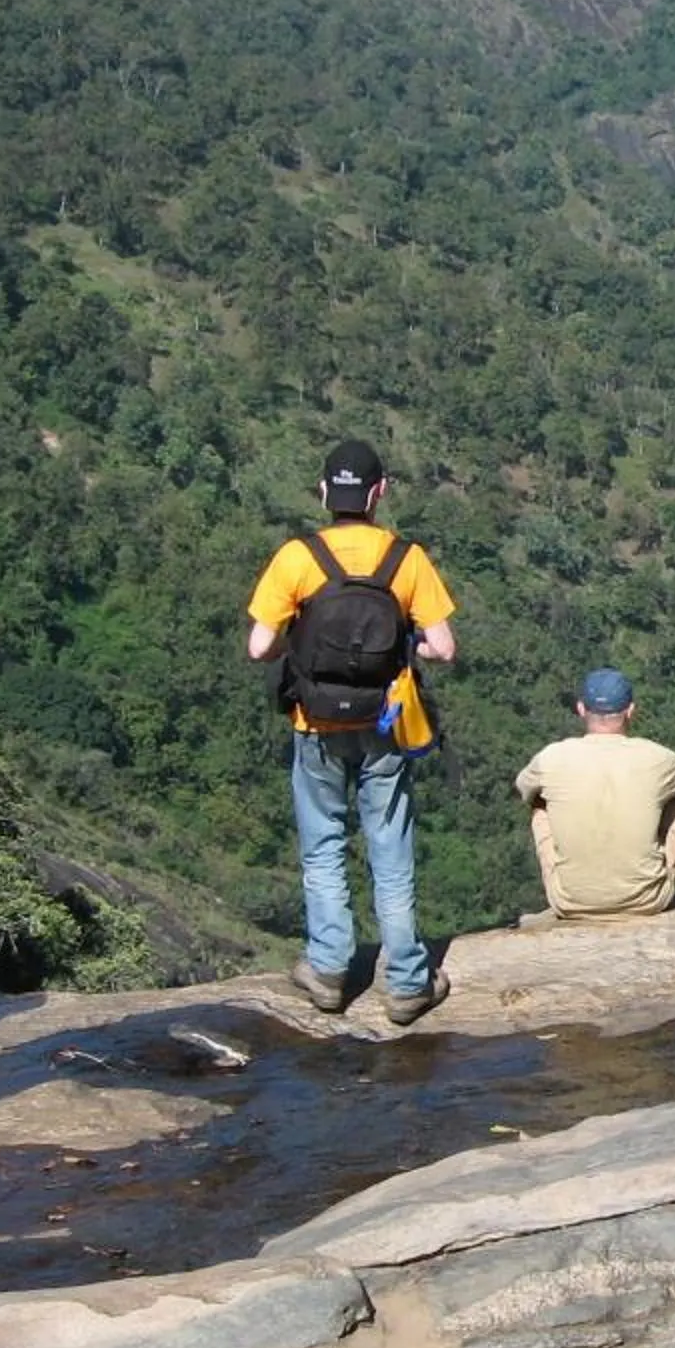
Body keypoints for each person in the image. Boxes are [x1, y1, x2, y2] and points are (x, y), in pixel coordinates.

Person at [245, 439, 457, 1026]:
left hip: (315, 721)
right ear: (378, 492)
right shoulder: (404, 559)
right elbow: (443, 647)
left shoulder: (298, 556)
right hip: (384, 723)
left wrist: (305, 637)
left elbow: (259, 646)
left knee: (323, 846)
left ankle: (329, 970)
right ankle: (408, 983)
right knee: (389, 847)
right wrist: (403, 642)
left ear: (322, 492)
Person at [512, 668, 675, 924]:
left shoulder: (552, 757)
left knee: (539, 802)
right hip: (647, 901)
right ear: (630, 711)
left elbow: (523, 787)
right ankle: (661, 869)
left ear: (580, 708)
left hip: (569, 902)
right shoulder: (657, 758)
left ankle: (574, 879)